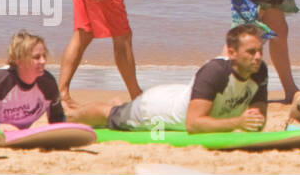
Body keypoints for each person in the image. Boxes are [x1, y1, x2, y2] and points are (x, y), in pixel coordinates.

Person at [100, 25, 268, 133]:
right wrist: (238, 122)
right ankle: (76, 116)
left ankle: (118, 104)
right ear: (231, 53)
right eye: (251, 52)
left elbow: (257, 122)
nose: (258, 57)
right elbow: (193, 123)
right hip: (157, 108)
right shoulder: (214, 72)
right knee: (110, 115)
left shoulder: (259, 71)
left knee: (120, 109)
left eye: (260, 51)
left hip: (181, 94)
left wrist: (252, 120)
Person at [0, 31, 68, 132]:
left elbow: (56, 118)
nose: (43, 61)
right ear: (19, 61)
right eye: (37, 57)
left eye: (44, 56)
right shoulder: (1, 80)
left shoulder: (48, 83)